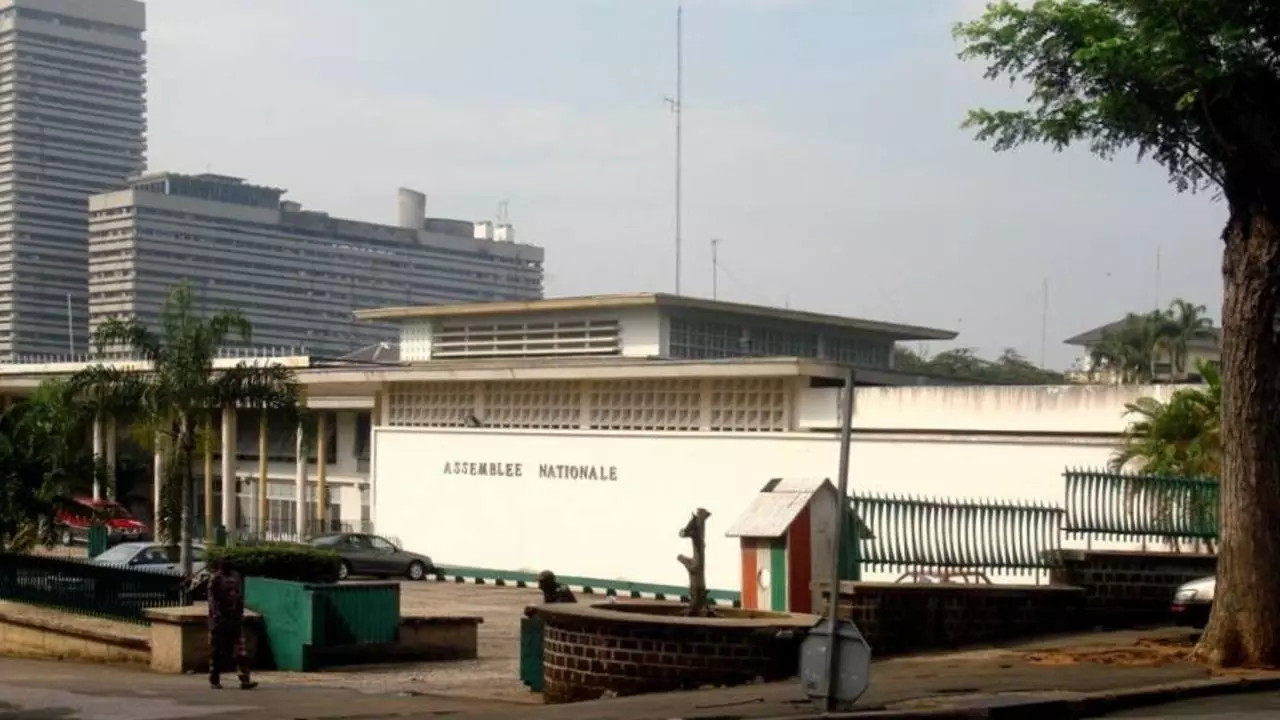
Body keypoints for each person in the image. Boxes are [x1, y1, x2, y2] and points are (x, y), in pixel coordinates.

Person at [206, 557, 257, 690]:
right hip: (220, 620)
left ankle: (245, 679)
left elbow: (239, 597)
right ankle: (214, 679)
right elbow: (213, 601)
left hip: (234, 619)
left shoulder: (235, 576)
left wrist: (239, 614)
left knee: (240, 651)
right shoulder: (216, 579)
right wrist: (217, 616)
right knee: (218, 651)